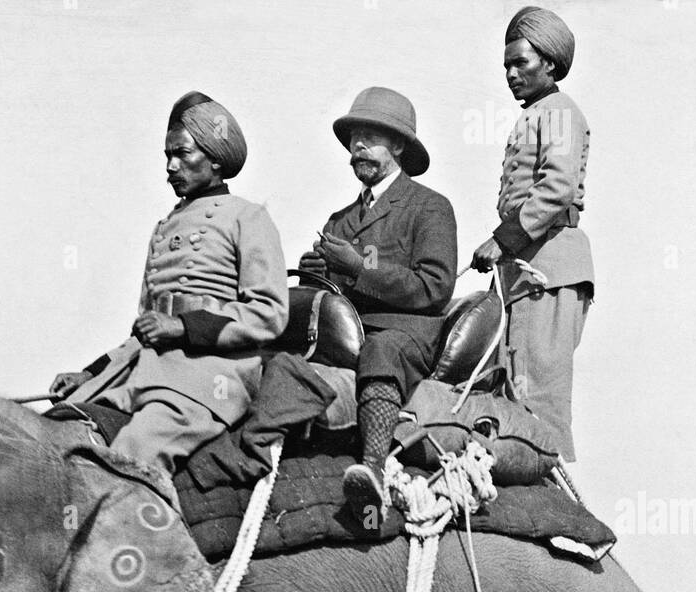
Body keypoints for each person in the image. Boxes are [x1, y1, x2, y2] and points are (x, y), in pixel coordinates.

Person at [48, 92, 288, 490]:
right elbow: (142, 329)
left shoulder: (249, 217)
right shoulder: (163, 227)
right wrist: (90, 372)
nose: (170, 167)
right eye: (166, 156)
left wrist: (182, 328)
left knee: (134, 452)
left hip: (212, 375)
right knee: (57, 427)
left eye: (182, 154)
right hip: (147, 368)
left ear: (214, 158)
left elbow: (269, 313)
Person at [299, 87, 457, 519]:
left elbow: (435, 286)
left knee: (380, 348)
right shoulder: (340, 220)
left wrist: (356, 270)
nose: (358, 147)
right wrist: (317, 272)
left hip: (406, 336)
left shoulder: (430, 208)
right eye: (353, 139)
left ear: (400, 145)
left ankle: (373, 468)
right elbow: (334, 296)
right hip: (350, 335)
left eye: (371, 137)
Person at [471, 6, 594, 463]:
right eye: (506, 64)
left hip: (550, 267)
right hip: (524, 268)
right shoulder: (538, 113)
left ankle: (559, 507)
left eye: (520, 62)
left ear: (551, 64)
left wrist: (502, 240)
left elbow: (556, 188)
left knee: (541, 395)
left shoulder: (559, 111)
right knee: (509, 382)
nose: (510, 73)